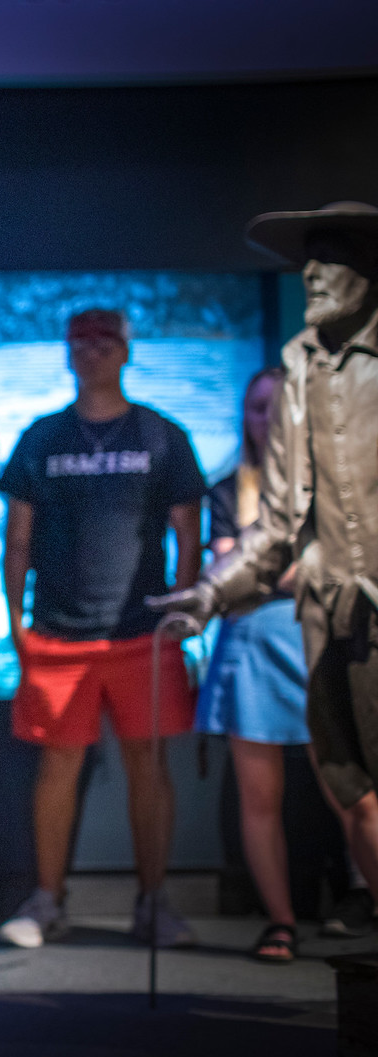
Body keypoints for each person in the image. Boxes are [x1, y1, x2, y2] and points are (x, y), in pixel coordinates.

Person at [151, 200, 378, 942]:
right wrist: (210, 595)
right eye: (305, 261)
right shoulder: (299, 369)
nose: (311, 273)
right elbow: (277, 524)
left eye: (331, 257)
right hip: (332, 625)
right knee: (361, 800)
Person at [0, 307, 206, 951]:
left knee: (148, 761)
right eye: (79, 343)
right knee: (58, 764)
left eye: (104, 342)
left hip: (142, 632)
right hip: (58, 633)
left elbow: (188, 530)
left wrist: (183, 610)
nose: (90, 353)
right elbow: (18, 537)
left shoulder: (161, 435)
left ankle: (153, 902)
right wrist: (14, 624)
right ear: (67, 353)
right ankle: (47, 900)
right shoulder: (42, 438)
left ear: (125, 351)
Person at [192, 367, 363, 963]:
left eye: (281, 405)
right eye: (257, 407)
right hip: (253, 653)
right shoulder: (223, 490)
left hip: (325, 649)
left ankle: (361, 899)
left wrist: (259, 566)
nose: (269, 418)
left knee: (351, 793)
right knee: (258, 796)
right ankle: (280, 921)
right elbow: (229, 579)